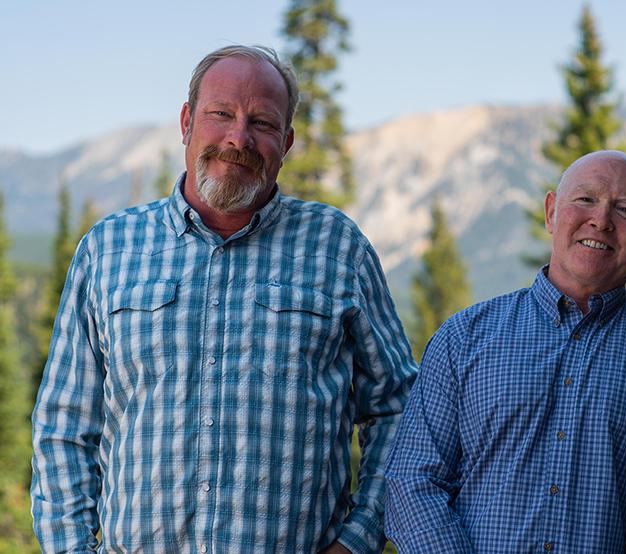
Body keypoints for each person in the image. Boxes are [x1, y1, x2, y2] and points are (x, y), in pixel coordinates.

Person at [31, 45, 416, 554]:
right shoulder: (107, 249)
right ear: (187, 121)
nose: (238, 138)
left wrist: (358, 538)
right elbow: (64, 425)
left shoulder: (338, 247)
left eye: (262, 122)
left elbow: (400, 411)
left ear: (287, 141)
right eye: (220, 114)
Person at [385, 150, 626, 553]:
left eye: (625, 209)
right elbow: (413, 481)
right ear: (551, 212)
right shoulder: (461, 337)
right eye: (585, 199)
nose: (601, 220)